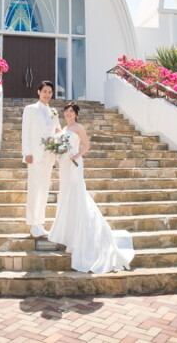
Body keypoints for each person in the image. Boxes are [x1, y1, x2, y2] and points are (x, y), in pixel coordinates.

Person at [48, 102, 134, 273]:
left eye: (71, 111)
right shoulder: (64, 129)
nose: (68, 114)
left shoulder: (78, 127)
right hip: (63, 166)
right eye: (66, 111)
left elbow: (86, 145)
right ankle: (70, 234)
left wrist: (76, 156)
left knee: (76, 195)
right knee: (66, 196)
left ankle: (80, 236)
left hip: (74, 164)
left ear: (76, 114)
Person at [21, 80, 61, 238]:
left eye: (50, 92)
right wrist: (27, 153)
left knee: (44, 190)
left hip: (48, 156)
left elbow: (58, 130)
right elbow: (26, 133)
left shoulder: (54, 112)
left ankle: (40, 223)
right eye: (45, 91)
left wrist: (59, 140)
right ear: (39, 92)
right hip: (35, 156)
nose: (47, 95)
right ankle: (33, 224)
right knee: (34, 190)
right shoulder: (30, 109)